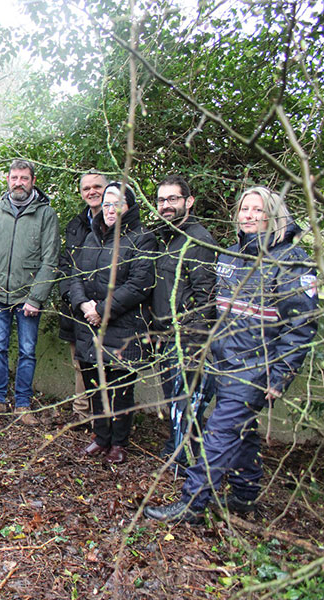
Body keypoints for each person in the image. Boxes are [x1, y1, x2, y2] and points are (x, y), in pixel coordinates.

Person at [145, 187, 319, 524]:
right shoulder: (228, 256)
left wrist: (278, 377)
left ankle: (192, 504)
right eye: (244, 209)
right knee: (243, 431)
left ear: (273, 215)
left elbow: (300, 328)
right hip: (222, 362)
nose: (249, 215)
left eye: (258, 210)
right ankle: (243, 493)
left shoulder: (290, 262)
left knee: (220, 432)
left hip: (256, 368)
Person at [70, 182, 155, 464]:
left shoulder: (142, 239)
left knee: (120, 389)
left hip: (121, 328)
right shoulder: (91, 237)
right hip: (89, 325)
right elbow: (76, 275)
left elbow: (139, 284)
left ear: (128, 206)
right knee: (95, 386)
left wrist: (103, 310)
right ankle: (100, 437)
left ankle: (119, 442)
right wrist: (83, 304)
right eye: (106, 203)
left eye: (116, 203)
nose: (109, 209)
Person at [0, 159, 60, 425]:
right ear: (8, 180)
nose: (18, 183)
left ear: (33, 181)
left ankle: (23, 404)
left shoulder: (45, 214)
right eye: (14, 178)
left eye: (24, 178)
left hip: (27, 297)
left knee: (27, 350)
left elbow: (50, 259)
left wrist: (36, 297)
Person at [149, 175, 216, 467]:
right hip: (165, 336)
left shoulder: (198, 240)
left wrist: (193, 342)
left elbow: (206, 298)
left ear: (188, 202)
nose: (166, 206)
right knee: (175, 401)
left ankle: (188, 460)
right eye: (162, 200)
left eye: (172, 199)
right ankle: (179, 451)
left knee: (187, 402)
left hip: (186, 340)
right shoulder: (167, 237)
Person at [58, 172, 107, 422]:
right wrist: (73, 298)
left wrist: (101, 306)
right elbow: (66, 265)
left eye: (97, 186)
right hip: (77, 305)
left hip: (109, 308)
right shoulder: (75, 224)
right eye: (86, 188)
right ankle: (82, 414)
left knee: (108, 365)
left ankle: (105, 419)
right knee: (80, 362)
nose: (92, 192)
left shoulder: (120, 224)